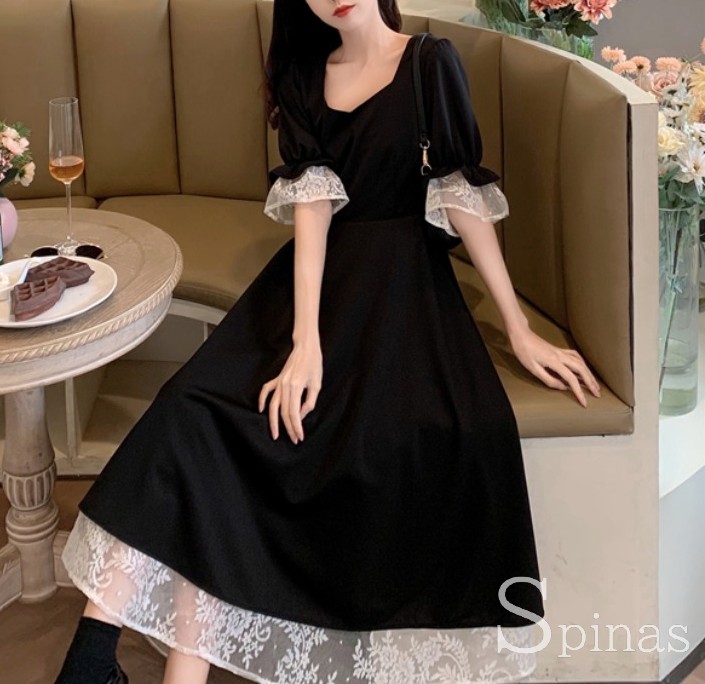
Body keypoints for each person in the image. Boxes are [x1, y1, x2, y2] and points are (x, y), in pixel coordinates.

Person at [53, 0, 601, 682]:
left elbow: (460, 198)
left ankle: (99, 665)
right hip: (314, 284)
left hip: (404, 287)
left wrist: (518, 328)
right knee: (192, 410)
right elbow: (312, 215)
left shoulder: (431, 63)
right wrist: (304, 343)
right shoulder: (304, 78)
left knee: (348, 434)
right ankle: (93, 656)